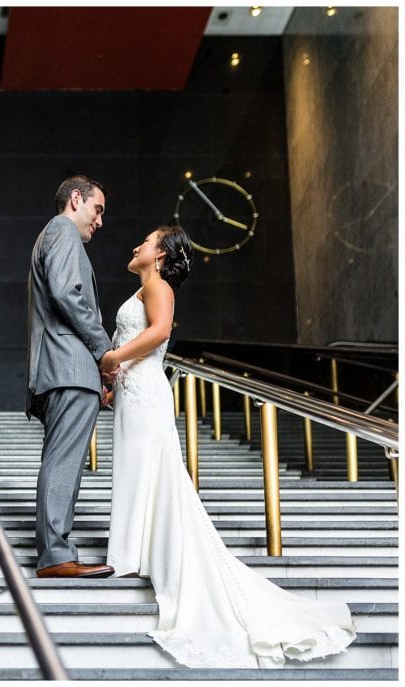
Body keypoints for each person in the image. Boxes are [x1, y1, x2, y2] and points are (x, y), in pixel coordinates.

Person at [99, 225, 356, 667]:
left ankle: (141, 553)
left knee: (150, 470)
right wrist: (115, 378)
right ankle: (133, 551)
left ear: (160, 254)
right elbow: (141, 339)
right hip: (133, 393)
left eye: (146, 240)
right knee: (136, 469)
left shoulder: (157, 286)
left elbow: (160, 333)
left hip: (145, 396)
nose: (136, 244)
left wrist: (113, 359)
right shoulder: (145, 287)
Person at [26, 174, 116, 579]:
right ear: (75, 199)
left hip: (62, 368)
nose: (100, 221)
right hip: (68, 366)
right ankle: (56, 554)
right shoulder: (62, 230)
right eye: (97, 209)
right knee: (64, 462)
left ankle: (56, 551)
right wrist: (105, 351)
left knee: (63, 461)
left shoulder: (53, 235)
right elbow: (66, 293)